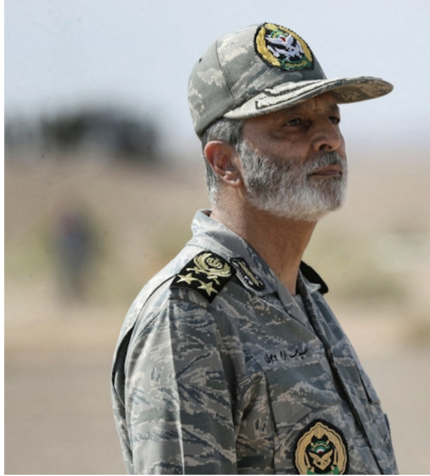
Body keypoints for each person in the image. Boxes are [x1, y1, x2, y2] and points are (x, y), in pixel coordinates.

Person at [111, 22, 397, 474]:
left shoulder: (299, 294)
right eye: (294, 123)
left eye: (333, 119)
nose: (329, 139)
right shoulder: (188, 315)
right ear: (225, 162)